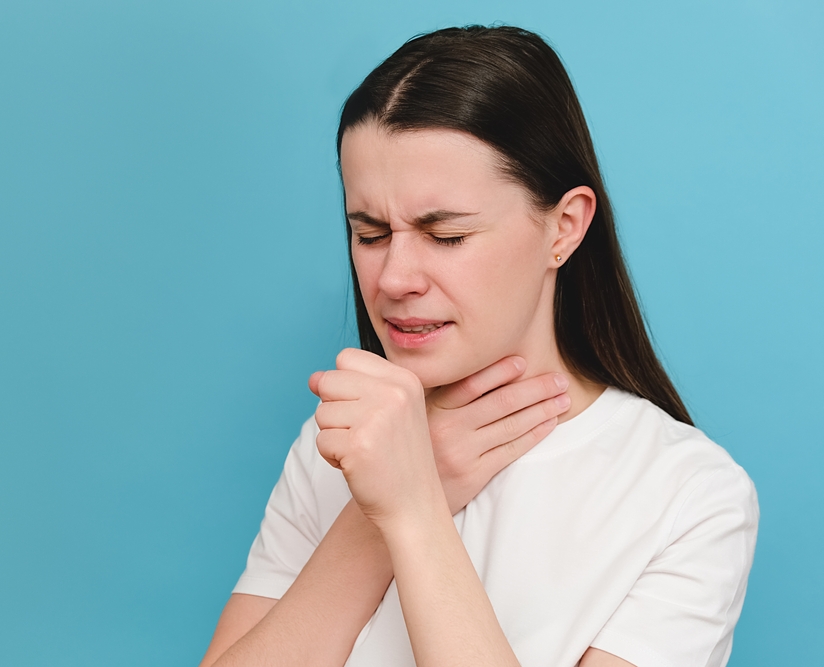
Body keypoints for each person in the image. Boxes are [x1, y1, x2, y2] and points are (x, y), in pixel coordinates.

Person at [199, 25, 758, 667]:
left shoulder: (689, 494)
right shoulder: (338, 445)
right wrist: (370, 516)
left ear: (564, 227)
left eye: (447, 236)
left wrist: (414, 509)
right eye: (371, 233)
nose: (394, 279)